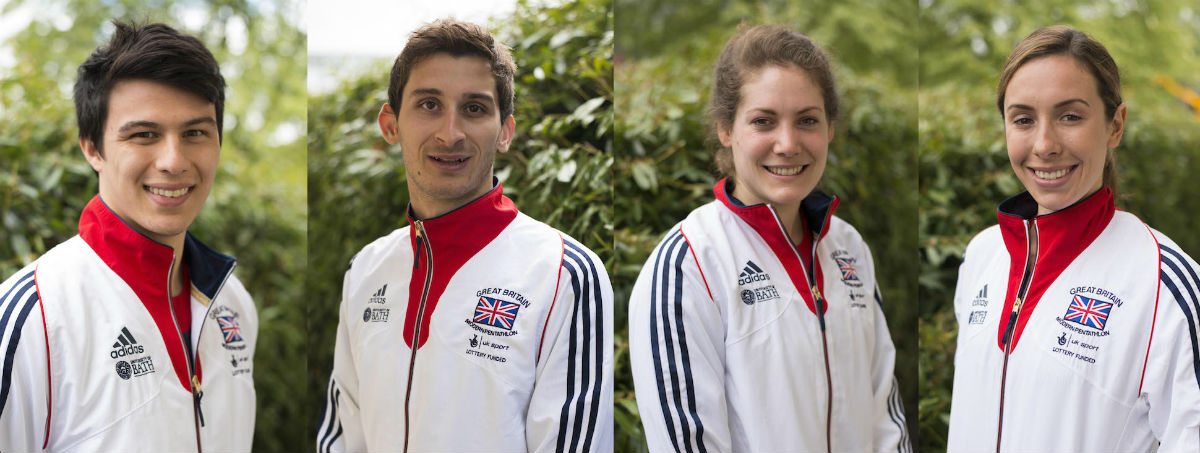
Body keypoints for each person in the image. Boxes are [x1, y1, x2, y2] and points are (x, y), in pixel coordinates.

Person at [315, 19, 613, 453]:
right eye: (429, 105)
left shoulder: (564, 274)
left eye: (474, 108)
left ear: (505, 131)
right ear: (391, 124)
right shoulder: (366, 270)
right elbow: (343, 435)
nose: (450, 133)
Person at [628, 25, 910, 453]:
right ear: (727, 129)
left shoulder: (849, 247)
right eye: (763, 121)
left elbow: (884, 411)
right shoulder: (688, 264)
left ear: (830, 128)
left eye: (807, 121)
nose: (788, 144)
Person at [0, 21, 257, 451]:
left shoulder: (233, 303)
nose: (174, 161)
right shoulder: (34, 321)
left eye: (195, 133)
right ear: (92, 148)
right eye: (144, 135)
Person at [946, 25, 1200, 452]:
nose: (1044, 145)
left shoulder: (1164, 284)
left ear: (1115, 125)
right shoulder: (982, 256)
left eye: (1070, 116)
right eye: (1023, 119)